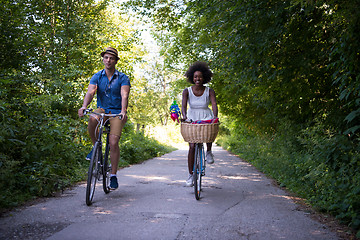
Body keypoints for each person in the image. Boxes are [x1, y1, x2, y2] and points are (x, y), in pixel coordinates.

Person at [78, 47, 131, 190]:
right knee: (93, 118)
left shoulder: (122, 78)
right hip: (102, 109)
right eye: (106, 57)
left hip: (116, 112)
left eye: (111, 58)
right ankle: (95, 146)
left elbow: (124, 95)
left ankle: (113, 175)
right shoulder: (97, 76)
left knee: (113, 142)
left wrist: (123, 111)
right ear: (103, 59)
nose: (108, 60)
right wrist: (84, 106)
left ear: (116, 61)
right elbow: (90, 92)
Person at [181, 61, 218, 187]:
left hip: (205, 115)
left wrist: (215, 117)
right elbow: (184, 106)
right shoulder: (187, 91)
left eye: (200, 76)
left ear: (204, 78)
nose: (198, 79)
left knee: (208, 132)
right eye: (196, 76)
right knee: (191, 146)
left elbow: (213, 104)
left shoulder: (209, 91)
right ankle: (191, 175)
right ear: (192, 77)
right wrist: (184, 117)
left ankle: (208, 151)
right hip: (192, 117)